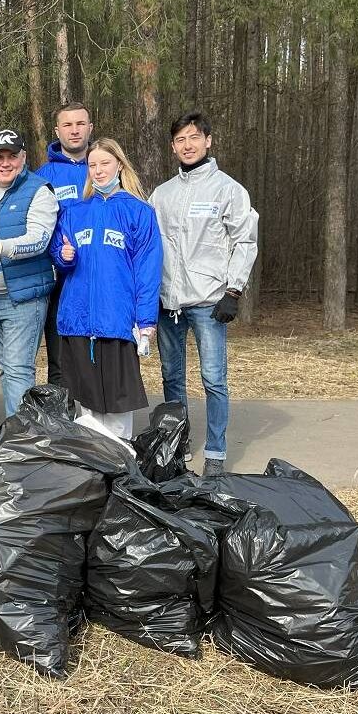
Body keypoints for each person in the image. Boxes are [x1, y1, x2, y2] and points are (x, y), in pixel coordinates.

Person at [149, 111, 259, 475]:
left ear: (208, 141)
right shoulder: (161, 194)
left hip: (210, 300)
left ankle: (215, 451)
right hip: (169, 302)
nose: (188, 145)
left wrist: (234, 290)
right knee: (171, 377)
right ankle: (176, 446)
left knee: (213, 379)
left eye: (194, 137)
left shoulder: (228, 190)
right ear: (172, 146)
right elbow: (151, 247)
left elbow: (244, 240)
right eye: (180, 139)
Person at [53, 137, 163, 440]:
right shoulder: (75, 211)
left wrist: (146, 322)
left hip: (116, 323)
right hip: (77, 323)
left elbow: (148, 271)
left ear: (119, 165)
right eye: (92, 165)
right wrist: (62, 257)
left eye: (105, 163)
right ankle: (91, 472)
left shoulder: (139, 212)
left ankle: (119, 470)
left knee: (115, 408)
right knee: (85, 411)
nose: (98, 171)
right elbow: (59, 254)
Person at [0, 129, 59, 417]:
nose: (5, 163)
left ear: (24, 157)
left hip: (22, 299)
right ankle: (18, 431)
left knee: (19, 371)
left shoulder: (39, 190)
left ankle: (21, 445)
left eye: (12, 156)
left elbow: (39, 239)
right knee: (6, 370)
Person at [35, 102, 93, 388]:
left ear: (90, 128)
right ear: (57, 131)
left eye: (80, 124)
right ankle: (59, 425)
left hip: (98, 276)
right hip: (59, 279)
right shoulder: (44, 176)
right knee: (59, 357)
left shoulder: (103, 167)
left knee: (95, 355)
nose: (74, 130)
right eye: (67, 125)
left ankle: (95, 425)